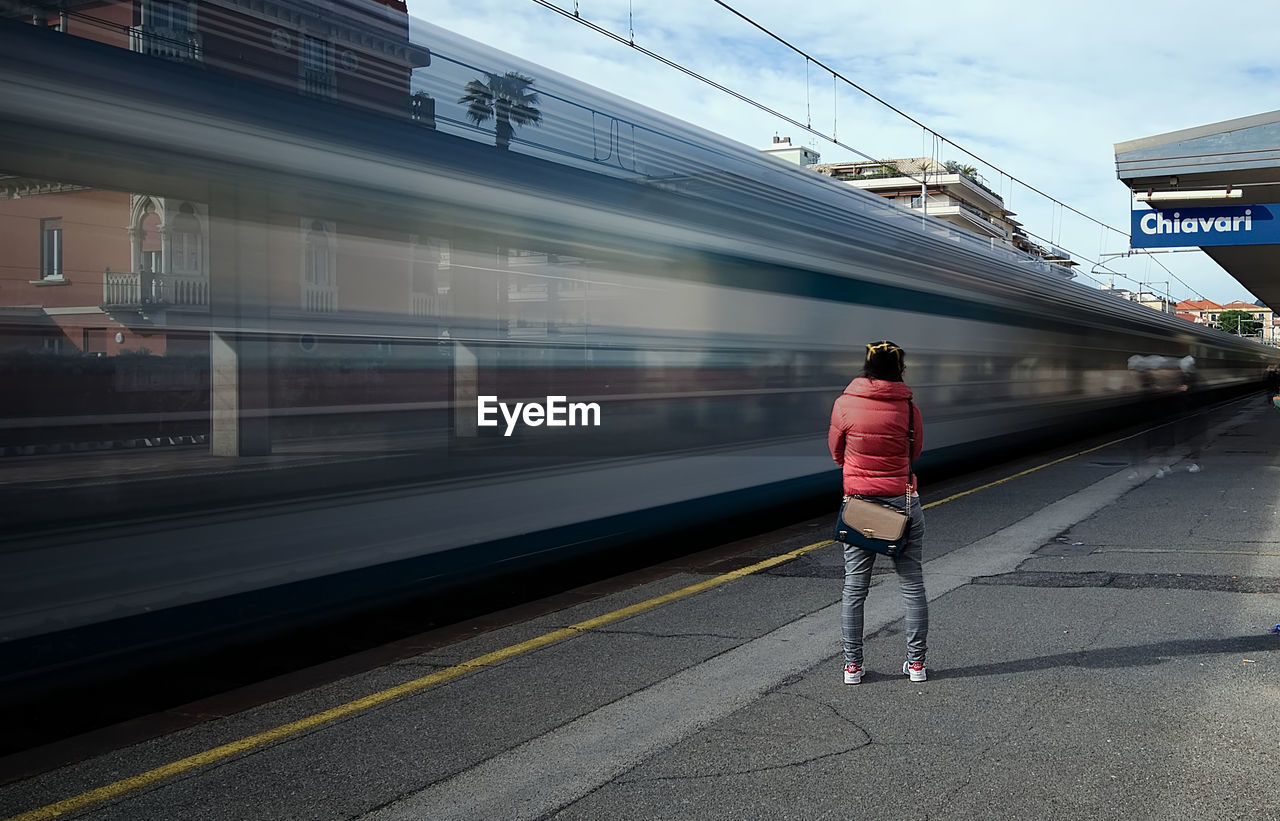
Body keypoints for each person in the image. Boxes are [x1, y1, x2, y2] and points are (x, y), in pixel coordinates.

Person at [828, 340, 927, 684]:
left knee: (855, 588)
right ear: (899, 369)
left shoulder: (843, 404)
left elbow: (836, 453)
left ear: (867, 366)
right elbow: (915, 451)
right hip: (903, 503)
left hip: (859, 506)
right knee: (912, 585)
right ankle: (916, 666)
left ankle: (852, 667)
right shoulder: (908, 406)